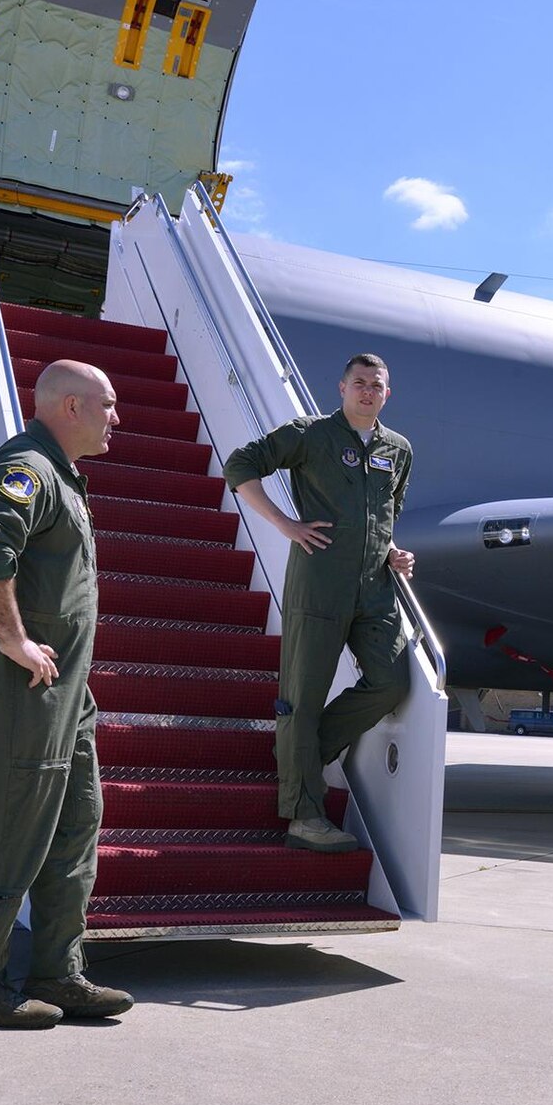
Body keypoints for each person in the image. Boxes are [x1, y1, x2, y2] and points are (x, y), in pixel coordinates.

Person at [0, 360, 134, 1028]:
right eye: (109, 406)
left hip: (63, 695)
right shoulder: (25, 468)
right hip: (18, 684)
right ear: (73, 406)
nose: (118, 419)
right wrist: (11, 638)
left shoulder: (63, 477)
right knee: (6, 831)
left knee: (76, 825)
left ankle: (59, 973)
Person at [224, 355, 415, 852]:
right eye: (359, 383)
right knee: (303, 697)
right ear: (342, 387)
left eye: (377, 385)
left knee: (391, 684)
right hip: (319, 582)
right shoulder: (311, 434)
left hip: (374, 588)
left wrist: (392, 550)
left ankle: (298, 759)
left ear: (387, 393)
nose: (368, 391)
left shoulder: (398, 449)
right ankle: (303, 817)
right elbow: (240, 465)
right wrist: (286, 524)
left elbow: (389, 510)